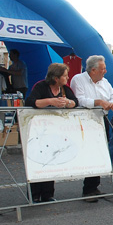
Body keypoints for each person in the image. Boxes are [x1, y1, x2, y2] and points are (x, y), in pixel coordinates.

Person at [25, 63, 79, 202]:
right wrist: (51, 101)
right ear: (56, 78)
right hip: (39, 129)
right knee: (38, 158)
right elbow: (30, 101)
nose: (67, 78)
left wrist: (68, 102)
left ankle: (48, 194)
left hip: (56, 129)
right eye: (65, 75)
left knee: (52, 158)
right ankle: (34, 194)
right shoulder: (41, 86)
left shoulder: (65, 89)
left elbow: (75, 102)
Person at [70, 55, 113, 202]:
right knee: (89, 153)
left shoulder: (105, 82)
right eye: (103, 69)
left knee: (100, 152)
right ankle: (87, 189)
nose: (105, 71)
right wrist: (97, 102)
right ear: (93, 70)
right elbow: (79, 99)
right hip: (85, 120)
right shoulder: (78, 79)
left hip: (101, 119)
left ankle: (94, 185)